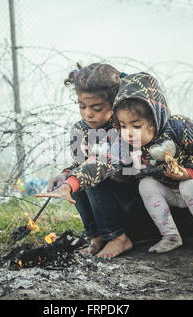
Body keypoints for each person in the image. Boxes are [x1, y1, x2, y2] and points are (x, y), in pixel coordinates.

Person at [38, 72, 193, 257]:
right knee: (146, 185)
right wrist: (69, 184)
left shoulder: (177, 126)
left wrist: (188, 171)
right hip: (166, 188)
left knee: (189, 185)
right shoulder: (124, 144)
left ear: (153, 119)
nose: (128, 133)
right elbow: (100, 163)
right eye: (123, 127)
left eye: (136, 126)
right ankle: (171, 237)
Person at [45, 63, 157, 259]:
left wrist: (84, 170)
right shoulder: (80, 129)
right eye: (82, 106)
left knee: (93, 173)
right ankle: (96, 236)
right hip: (108, 209)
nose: (88, 113)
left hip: (137, 205)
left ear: (114, 104)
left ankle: (118, 238)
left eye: (96, 108)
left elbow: (104, 164)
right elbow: (79, 165)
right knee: (76, 174)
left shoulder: (125, 128)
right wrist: (64, 175)